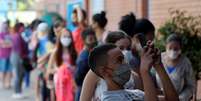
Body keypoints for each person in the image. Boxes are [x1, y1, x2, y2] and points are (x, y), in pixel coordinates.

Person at [88, 43, 179, 101]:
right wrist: (144, 71)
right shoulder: (109, 99)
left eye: (124, 58)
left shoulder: (136, 93)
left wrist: (159, 66)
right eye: (119, 60)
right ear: (104, 71)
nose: (125, 63)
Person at [80, 31, 143, 101]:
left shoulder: (134, 77)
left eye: (128, 48)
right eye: (121, 48)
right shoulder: (94, 73)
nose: (126, 52)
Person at [155, 34, 195, 101]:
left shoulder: (185, 63)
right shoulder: (159, 59)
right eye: (170, 48)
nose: (173, 51)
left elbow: (190, 86)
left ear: (180, 48)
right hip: (160, 98)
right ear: (166, 47)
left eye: (176, 49)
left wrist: (181, 98)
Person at [47, 28, 77, 101]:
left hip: (72, 80)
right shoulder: (56, 52)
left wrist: (72, 68)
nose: (66, 39)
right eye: (64, 36)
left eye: (68, 37)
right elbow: (49, 70)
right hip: (59, 81)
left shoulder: (74, 52)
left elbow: (77, 67)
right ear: (60, 37)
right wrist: (59, 70)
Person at [74, 28, 97, 101]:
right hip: (83, 91)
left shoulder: (90, 54)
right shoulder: (84, 58)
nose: (93, 41)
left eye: (94, 38)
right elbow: (78, 79)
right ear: (84, 41)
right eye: (90, 39)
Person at [33, 22, 54, 101]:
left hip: (45, 65)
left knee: (44, 83)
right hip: (43, 65)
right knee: (41, 82)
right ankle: (38, 97)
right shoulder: (41, 40)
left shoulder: (45, 40)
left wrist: (41, 62)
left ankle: (38, 97)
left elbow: (50, 54)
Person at [10, 22, 26, 99]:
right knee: (17, 75)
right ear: (20, 28)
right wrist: (22, 58)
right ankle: (16, 91)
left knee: (20, 74)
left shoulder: (18, 35)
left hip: (17, 56)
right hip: (17, 56)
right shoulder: (17, 36)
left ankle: (18, 91)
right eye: (23, 27)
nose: (24, 28)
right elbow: (19, 48)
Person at [0, 21, 12, 89]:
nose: (5, 27)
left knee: (9, 70)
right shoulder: (1, 34)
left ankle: (8, 83)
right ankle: (3, 83)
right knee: (3, 70)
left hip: (10, 54)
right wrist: (8, 43)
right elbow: (1, 43)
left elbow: (12, 43)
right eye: (4, 26)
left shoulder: (10, 34)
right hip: (3, 55)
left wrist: (6, 44)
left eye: (6, 26)